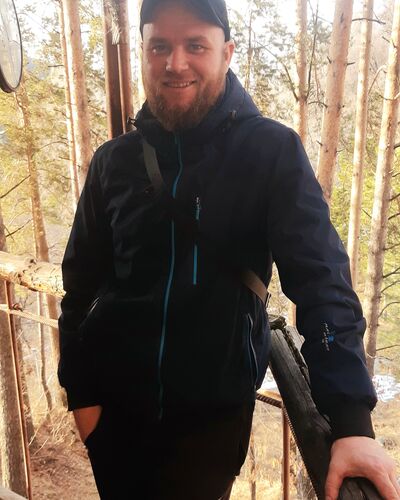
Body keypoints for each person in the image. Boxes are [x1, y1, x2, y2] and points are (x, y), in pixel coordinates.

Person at [58, 0, 400, 499]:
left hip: (211, 429)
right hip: (113, 418)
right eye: (160, 46)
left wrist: (351, 423)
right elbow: (78, 286)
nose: (175, 62)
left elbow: (322, 281)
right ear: (144, 52)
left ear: (227, 53)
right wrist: (83, 396)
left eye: (195, 45)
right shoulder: (114, 162)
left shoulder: (270, 152)